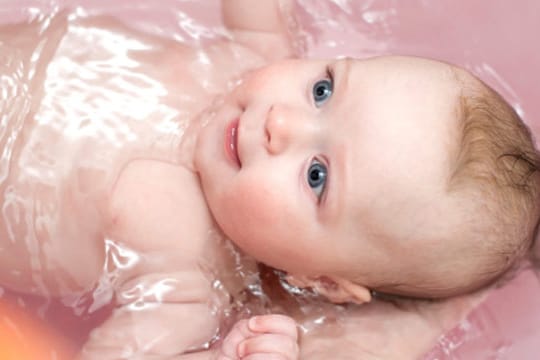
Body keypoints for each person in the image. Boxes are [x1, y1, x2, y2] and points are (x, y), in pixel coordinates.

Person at [0, 1, 539, 359]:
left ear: (319, 280)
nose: (281, 123)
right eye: (323, 91)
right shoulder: (254, 57)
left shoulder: (188, 291)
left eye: (316, 175)